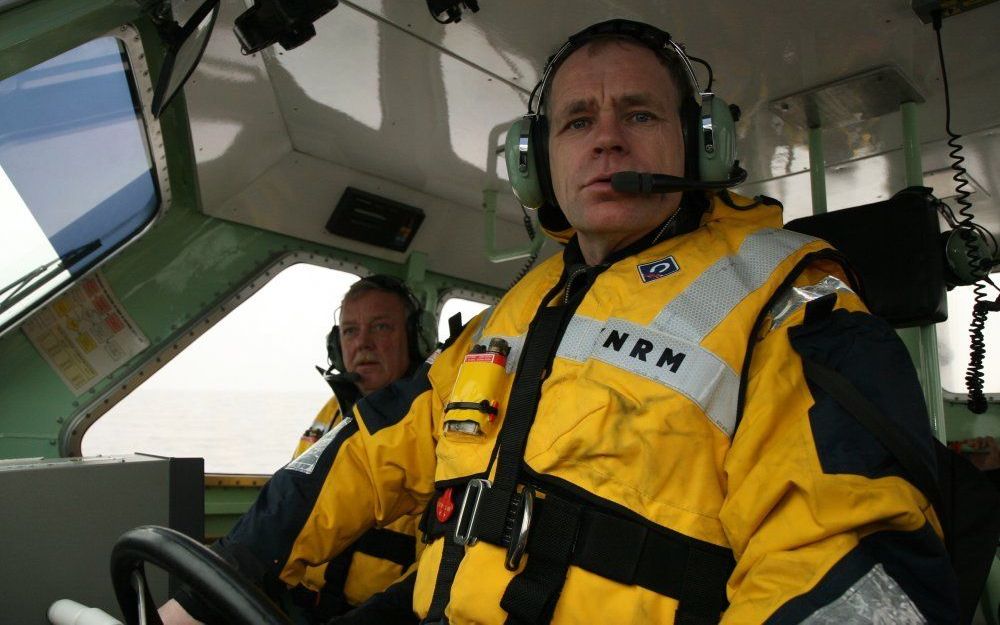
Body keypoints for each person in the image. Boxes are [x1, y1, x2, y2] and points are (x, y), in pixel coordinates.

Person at [164, 19, 960, 624]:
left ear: (702, 143)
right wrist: (229, 569)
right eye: (578, 121)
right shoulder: (510, 313)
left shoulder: (788, 303)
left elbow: (849, 559)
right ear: (536, 161)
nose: (607, 136)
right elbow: (369, 452)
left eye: (639, 114)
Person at [160, 274, 431, 624]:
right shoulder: (329, 415)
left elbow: (437, 567)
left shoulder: (435, 426)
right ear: (336, 344)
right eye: (349, 331)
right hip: (299, 607)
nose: (363, 343)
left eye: (380, 327)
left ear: (413, 338)